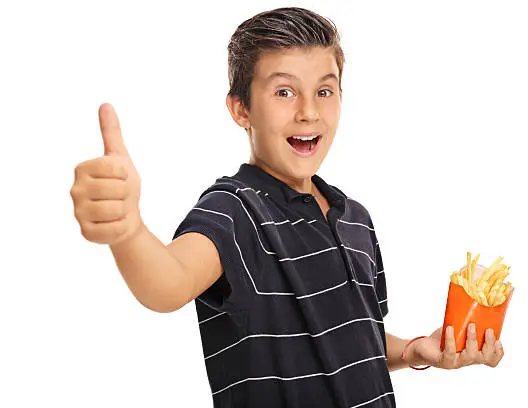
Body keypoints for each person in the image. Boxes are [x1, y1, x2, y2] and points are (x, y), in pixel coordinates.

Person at [70, 7, 504, 408]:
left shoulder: (355, 220)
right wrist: (127, 231)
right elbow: (167, 282)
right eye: (283, 91)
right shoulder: (232, 211)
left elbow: (352, 338)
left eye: (324, 91)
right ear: (242, 109)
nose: (308, 112)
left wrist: (411, 351)